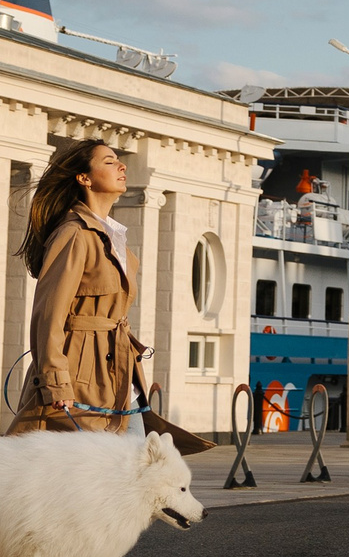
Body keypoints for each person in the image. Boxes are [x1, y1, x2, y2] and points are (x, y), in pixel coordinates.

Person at [13, 136, 210, 455]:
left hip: (118, 371)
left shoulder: (114, 235)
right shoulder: (75, 234)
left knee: (128, 468)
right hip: (81, 374)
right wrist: (55, 381)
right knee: (100, 472)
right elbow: (49, 314)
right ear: (84, 178)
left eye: (119, 160)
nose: (121, 165)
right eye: (108, 161)